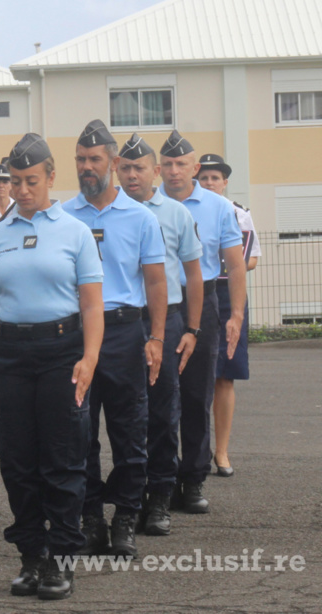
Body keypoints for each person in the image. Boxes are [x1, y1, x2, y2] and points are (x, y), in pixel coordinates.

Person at [0, 133, 103, 600]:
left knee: (62, 460)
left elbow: (91, 307)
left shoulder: (74, 232)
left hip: (60, 353)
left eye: (30, 181)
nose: (22, 190)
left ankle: (62, 560)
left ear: (51, 177)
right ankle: (31, 557)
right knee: (17, 461)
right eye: (15, 181)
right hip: (9, 357)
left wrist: (89, 359)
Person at [63, 120, 167, 559]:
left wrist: (157, 337)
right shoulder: (63, 217)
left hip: (125, 333)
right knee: (78, 434)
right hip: (77, 336)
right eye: (81, 161)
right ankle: (91, 520)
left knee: (129, 433)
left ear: (115, 162)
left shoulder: (141, 218)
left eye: (95, 160)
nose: (88, 168)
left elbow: (157, 283)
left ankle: (125, 516)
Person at [115, 133, 204, 536]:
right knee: (121, 415)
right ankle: (125, 498)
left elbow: (192, 274)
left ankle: (161, 498)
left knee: (163, 412)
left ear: (155, 171)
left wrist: (192, 328)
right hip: (118, 323)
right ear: (117, 169)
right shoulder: (104, 212)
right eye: (126, 168)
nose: (132, 175)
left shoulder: (175, 214)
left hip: (165, 321)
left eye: (140, 168)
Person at [159, 132, 245, 513]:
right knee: (156, 397)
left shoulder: (218, 206)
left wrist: (236, 314)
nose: (174, 171)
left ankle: (192, 480)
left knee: (196, 395)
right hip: (157, 305)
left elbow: (235, 262)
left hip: (202, 301)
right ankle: (157, 479)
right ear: (158, 167)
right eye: (168, 164)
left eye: (182, 164)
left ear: (195, 168)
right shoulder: (141, 203)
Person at [196, 153, 261, 477]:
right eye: (204, 178)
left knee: (225, 375)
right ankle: (194, 452)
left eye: (214, 178)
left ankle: (221, 452)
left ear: (225, 182)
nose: (209, 183)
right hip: (196, 294)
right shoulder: (185, 210)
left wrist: (227, 258)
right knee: (191, 379)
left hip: (227, 295)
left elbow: (251, 259)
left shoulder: (239, 214)